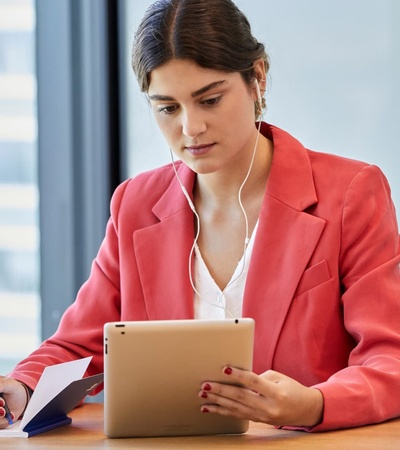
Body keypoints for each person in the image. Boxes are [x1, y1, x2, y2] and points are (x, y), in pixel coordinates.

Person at [1, 0, 400, 432]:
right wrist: (21, 387)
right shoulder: (135, 204)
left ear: (257, 78)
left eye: (209, 100)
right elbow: (77, 346)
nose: (191, 128)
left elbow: (391, 358)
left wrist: (315, 404)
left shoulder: (349, 194)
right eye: (168, 108)